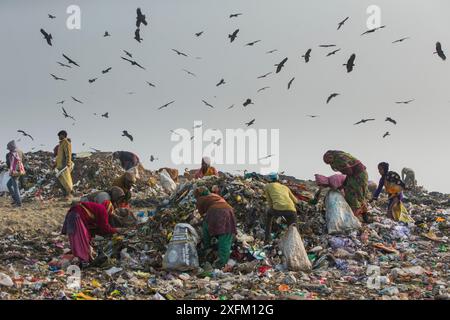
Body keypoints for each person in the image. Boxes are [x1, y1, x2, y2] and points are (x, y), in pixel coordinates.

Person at [194, 187, 237, 269]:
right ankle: (221, 261)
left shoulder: (200, 199)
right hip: (229, 211)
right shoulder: (214, 195)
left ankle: (217, 261)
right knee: (225, 236)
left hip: (214, 213)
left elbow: (202, 214)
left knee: (207, 229)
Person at [323, 150, 369, 222]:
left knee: (352, 195)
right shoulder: (339, 156)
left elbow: (349, 171)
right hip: (356, 175)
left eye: (329, 161)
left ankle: (354, 218)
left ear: (331, 157)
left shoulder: (340, 158)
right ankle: (364, 217)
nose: (330, 164)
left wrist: (344, 183)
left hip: (358, 175)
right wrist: (345, 183)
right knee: (359, 196)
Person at [264, 173, 299, 243]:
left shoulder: (267, 186)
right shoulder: (285, 187)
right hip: (291, 210)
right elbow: (296, 201)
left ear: (269, 179)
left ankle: (267, 238)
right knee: (294, 229)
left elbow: (269, 202)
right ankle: (296, 243)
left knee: (268, 214)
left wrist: (273, 210)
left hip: (278, 209)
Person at [6, 140, 25, 207]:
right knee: (8, 185)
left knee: (15, 187)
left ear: (11, 147)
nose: (9, 149)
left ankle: (19, 203)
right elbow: (24, 159)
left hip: (14, 172)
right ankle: (15, 199)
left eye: (9, 148)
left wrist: (12, 169)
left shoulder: (10, 154)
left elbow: (8, 164)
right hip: (20, 171)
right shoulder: (20, 151)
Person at [55, 130, 74, 199]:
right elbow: (59, 156)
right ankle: (65, 195)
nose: (59, 137)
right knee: (60, 181)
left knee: (66, 181)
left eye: (60, 135)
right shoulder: (60, 144)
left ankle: (68, 195)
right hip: (59, 165)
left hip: (64, 165)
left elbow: (68, 154)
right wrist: (55, 164)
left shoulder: (66, 142)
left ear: (63, 135)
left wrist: (68, 164)